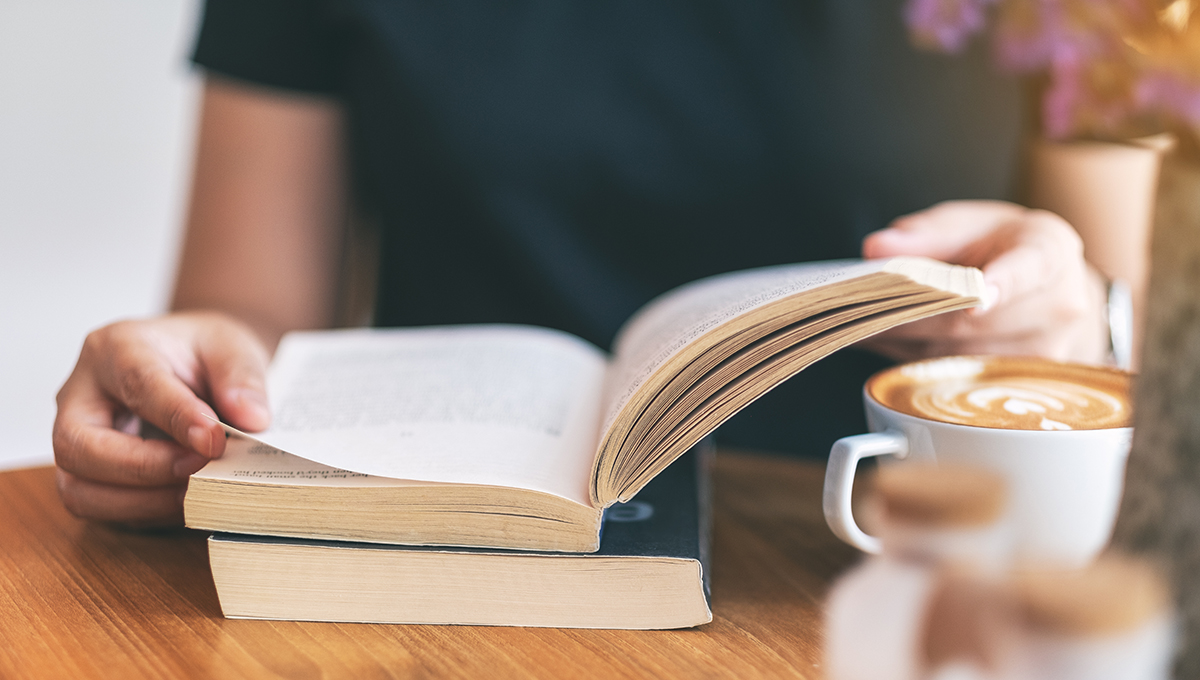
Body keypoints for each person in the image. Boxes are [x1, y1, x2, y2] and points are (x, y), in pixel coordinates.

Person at [53, 0, 1121, 526]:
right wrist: (196, 389)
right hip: (440, 554)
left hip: (902, 563)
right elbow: (250, 306)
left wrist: (1065, 319)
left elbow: (1132, 321)